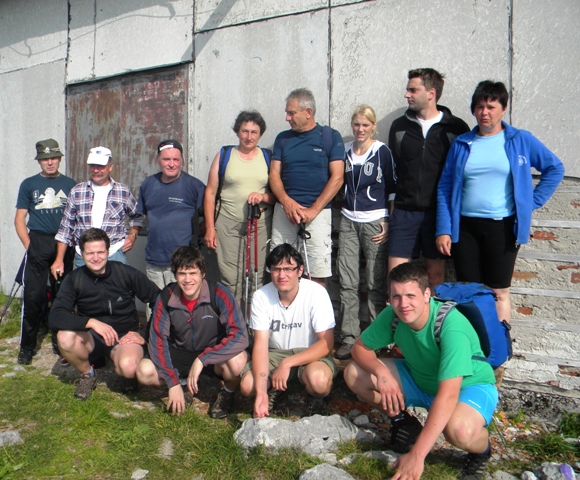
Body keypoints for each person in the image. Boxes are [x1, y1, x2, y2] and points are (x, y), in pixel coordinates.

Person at [344, 263, 498, 480]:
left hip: (467, 387)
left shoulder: (451, 325)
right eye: (396, 297)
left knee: (459, 431)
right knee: (354, 373)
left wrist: (417, 455)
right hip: (420, 378)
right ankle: (403, 423)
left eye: (410, 296)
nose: (403, 304)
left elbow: (448, 394)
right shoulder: (393, 315)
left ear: (427, 294)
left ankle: (481, 451)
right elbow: (359, 348)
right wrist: (382, 374)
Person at [436, 80, 564, 323]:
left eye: (491, 107)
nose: (484, 112)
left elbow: (555, 168)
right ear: (474, 110)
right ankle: (472, 342)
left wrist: (530, 202)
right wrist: (443, 228)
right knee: (468, 292)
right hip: (465, 229)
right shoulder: (462, 143)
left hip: (502, 228)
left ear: (503, 109)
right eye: (479, 107)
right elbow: (445, 186)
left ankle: (499, 344)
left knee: (499, 292)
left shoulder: (520, 140)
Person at [136, 246, 249, 418]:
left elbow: (240, 335)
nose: (187, 279)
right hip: (179, 352)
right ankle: (181, 384)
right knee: (144, 371)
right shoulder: (167, 296)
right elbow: (157, 339)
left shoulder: (219, 293)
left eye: (192, 273)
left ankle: (227, 393)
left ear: (203, 274)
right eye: (182, 274)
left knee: (238, 361)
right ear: (175, 275)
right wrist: (172, 383)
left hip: (211, 353)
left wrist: (203, 359)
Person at [49, 228, 160, 400]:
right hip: (91, 337)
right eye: (90, 253)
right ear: (81, 253)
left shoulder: (126, 273)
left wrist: (145, 334)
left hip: (123, 336)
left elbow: (160, 302)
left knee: (129, 367)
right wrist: (91, 323)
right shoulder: (74, 279)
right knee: (64, 337)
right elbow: (55, 316)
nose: (96, 257)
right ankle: (87, 374)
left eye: (100, 252)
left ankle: (126, 374)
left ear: (108, 252)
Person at [387, 68, 470, 290]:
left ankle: (431, 314)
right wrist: (393, 203)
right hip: (404, 213)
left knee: (435, 275)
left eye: (413, 90)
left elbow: (461, 173)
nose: (407, 94)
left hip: (438, 214)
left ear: (431, 93)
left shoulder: (456, 128)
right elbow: (394, 167)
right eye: (408, 89)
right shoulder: (399, 126)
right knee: (396, 277)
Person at [239, 243, 337, 417]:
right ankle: (270, 392)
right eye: (276, 269)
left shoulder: (316, 293)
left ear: (300, 270)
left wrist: (288, 363)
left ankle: (315, 398)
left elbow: (326, 343)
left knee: (319, 381)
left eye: (288, 269)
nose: (281, 275)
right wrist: (261, 392)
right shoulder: (261, 296)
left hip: (310, 351)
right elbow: (260, 345)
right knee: (248, 386)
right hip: (275, 352)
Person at [336, 105, 396, 360]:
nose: (360, 129)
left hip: (374, 221)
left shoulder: (382, 151)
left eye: (365, 125)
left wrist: (388, 219)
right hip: (348, 220)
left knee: (374, 281)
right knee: (347, 281)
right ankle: (348, 338)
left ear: (373, 126)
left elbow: (392, 187)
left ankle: (375, 339)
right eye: (357, 124)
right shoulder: (345, 151)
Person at [269, 88, 345, 287]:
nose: (287, 118)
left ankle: (314, 310)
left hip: (317, 214)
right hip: (285, 213)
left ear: (308, 112)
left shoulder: (329, 136)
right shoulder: (282, 138)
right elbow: (274, 175)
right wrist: (286, 202)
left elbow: (338, 178)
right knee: (280, 269)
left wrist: (313, 210)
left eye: (291, 113)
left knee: (316, 274)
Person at [203, 111, 275, 306]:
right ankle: (233, 320)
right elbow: (210, 193)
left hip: (259, 224)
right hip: (227, 224)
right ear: (237, 132)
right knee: (230, 278)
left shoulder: (267, 157)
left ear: (260, 134)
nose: (249, 136)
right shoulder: (225, 155)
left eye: (254, 132)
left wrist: (262, 197)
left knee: (256, 278)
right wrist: (210, 228)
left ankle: (254, 320)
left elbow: (277, 195)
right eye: (245, 131)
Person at [14, 139, 76, 365]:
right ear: (39, 161)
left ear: (59, 159)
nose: (50, 162)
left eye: (53, 158)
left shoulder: (70, 184)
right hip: (38, 241)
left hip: (64, 242)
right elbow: (19, 219)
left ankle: (60, 341)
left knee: (62, 295)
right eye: (45, 159)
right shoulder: (29, 184)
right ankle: (27, 346)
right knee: (34, 296)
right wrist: (30, 246)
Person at [50, 146, 143, 278]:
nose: (96, 170)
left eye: (100, 166)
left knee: (119, 289)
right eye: (92, 166)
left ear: (110, 167)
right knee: (83, 290)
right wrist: (59, 260)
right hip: (84, 256)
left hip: (114, 254)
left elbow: (137, 216)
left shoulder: (122, 191)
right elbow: (65, 229)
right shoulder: (77, 191)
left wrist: (132, 235)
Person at [132, 139, 205, 290]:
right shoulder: (148, 184)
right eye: (166, 159)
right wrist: (132, 235)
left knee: (181, 302)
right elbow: (139, 215)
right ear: (158, 160)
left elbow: (211, 216)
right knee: (156, 302)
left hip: (183, 263)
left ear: (182, 160)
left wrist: (198, 238)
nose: (171, 164)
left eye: (176, 159)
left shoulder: (194, 186)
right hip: (154, 260)